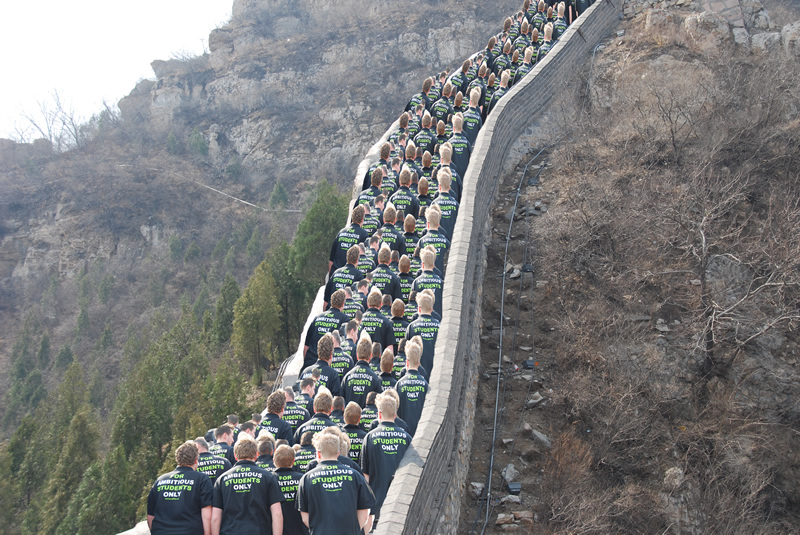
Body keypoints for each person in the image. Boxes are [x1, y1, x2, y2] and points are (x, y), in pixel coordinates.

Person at [297, 431, 375, 534]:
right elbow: (365, 513)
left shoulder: (306, 479)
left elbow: (305, 517)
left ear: (319, 454)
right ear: (338, 453)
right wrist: (354, 531)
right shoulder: (355, 475)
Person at [211, 436, 284, 535]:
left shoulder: (222, 480)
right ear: (256, 455)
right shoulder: (268, 477)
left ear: (235, 455)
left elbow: (215, 518)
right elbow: (277, 514)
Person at [361, 393, 412, 522]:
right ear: (395, 415)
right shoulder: (406, 438)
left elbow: (365, 477)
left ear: (379, 414)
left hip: (376, 503)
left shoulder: (369, 438)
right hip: (399, 503)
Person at [147, 441, 213, 535]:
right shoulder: (202, 479)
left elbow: (150, 517)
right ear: (195, 460)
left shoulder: (160, 480)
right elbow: (207, 516)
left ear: (177, 459)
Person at [303, 297, 349, 369]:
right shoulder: (344, 319)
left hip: (310, 362)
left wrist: (307, 364)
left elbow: (306, 347)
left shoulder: (317, 318)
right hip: (328, 365)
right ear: (343, 304)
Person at [272, 445, 309, 535]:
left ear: (274, 460)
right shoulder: (303, 479)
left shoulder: (269, 479)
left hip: (276, 530)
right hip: (301, 530)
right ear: (293, 461)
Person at [395, 339, 430, 436]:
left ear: (407, 361)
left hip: (404, 432)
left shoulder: (399, 384)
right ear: (419, 362)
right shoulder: (425, 384)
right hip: (421, 433)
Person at [342, 336, 382, 407]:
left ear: (357, 355)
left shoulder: (347, 377)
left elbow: (341, 403)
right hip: (369, 417)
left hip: (349, 417)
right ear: (371, 355)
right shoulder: (375, 378)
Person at [406, 292, 441, 374]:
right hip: (435, 369)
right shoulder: (439, 326)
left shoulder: (411, 327)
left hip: (417, 370)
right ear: (431, 309)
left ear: (419, 308)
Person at [328, 205, 369, 273]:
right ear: (362, 219)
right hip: (352, 274)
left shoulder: (341, 232)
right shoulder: (364, 234)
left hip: (336, 273)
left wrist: (331, 277)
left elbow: (331, 260)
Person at [360, 289, 395, 354]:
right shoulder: (386, 322)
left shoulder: (360, 320)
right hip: (379, 362)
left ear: (367, 303)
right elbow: (390, 351)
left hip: (362, 359)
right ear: (381, 304)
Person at [417, 210, 450, 277]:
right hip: (442, 278)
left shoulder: (421, 241)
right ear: (438, 224)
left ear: (428, 224)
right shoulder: (446, 242)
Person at [431, 170, 460, 241]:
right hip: (454, 241)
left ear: (439, 186)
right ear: (449, 186)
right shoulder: (456, 204)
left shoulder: (434, 204)